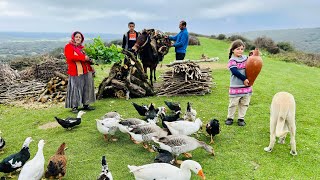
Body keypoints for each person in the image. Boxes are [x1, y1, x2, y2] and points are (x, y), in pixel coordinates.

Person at [64, 31, 96, 113]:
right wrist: (83, 58)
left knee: (87, 87)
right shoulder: (68, 47)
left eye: (80, 37)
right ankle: (74, 106)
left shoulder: (82, 48)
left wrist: (90, 60)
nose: (78, 38)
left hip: (86, 70)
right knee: (76, 88)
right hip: (75, 71)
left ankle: (86, 104)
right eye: (77, 37)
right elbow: (70, 57)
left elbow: (86, 58)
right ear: (73, 38)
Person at [225, 39, 252, 126]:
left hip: (246, 87)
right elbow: (234, 72)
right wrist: (244, 79)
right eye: (238, 49)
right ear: (233, 50)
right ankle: (230, 118)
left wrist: (253, 55)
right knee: (233, 104)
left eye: (241, 49)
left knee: (244, 103)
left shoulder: (246, 58)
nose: (240, 51)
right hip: (236, 86)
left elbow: (252, 64)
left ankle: (241, 118)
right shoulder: (232, 60)